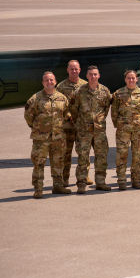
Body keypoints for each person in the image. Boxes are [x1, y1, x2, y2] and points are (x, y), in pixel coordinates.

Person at [25, 71, 69, 198]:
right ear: (43, 83)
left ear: (55, 81)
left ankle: (58, 186)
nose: (49, 82)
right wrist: (38, 128)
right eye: (46, 80)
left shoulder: (62, 98)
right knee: (39, 163)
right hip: (41, 138)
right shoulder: (35, 99)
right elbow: (28, 116)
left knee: (58, 162)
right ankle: (38, 188)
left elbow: (66, 114)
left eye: (51, 80)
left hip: (58, 137)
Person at [70, 65, 113, 192]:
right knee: (83, 158)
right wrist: (81, 123)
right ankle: (81, 184)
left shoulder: (105, 91)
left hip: (99, 131)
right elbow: (74, 110)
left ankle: (100, 182)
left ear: (99, 75)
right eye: (90, 74)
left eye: (95, 74)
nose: (93, 76)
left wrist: (98, 121)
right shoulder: (79, 91)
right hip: (84, 131)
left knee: (101, 157)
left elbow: (106, 109)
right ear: (87, 76)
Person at [111, 70, 140, 189]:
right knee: (122, 155)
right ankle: (121, 180)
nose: (131, 80)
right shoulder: (118, 94)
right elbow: (114, 112)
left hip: (138, 130)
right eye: (129, 78)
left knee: (137, 155)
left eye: (133, 78)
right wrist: (119, 125)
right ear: (125, 79)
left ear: (136, 79)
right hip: (123, 130)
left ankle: (136, 180)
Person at [55, 60, 86, 188]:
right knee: (66, 154)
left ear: (80, 70)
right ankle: (65, 179)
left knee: (83, 154)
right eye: (71, 69)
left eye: (76, 69)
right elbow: (58, 105)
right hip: (67, 127)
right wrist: (67, 116)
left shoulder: (85, 85)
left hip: (82, 126)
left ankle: (84, 177)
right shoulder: (61, 87)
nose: (74, 71)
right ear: (67, 70)